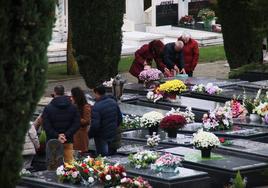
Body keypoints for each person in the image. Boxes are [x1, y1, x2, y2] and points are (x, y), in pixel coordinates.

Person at [43, 85, 80, 163]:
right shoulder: (73, 107)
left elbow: (46, 126)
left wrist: (57, 135)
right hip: (68, 139)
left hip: (52, 140)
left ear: (54, 93)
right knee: (69, 167)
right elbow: (76, 124)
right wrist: (66, 134)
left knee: (53, 166)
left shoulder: (48, 108)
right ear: (64, 92)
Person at [88, 85, 122, 156]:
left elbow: (95, 126)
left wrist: (89, 135)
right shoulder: (113, 102)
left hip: (101, 136)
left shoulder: (96, 107)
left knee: (103, 156)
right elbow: (119, 118)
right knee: (112, 155)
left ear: (96, 92)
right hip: (112, 133)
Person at [71, 87, 91, 153]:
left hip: (81, 137)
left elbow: (87, 121)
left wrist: (75, 118)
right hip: (73, 136)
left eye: (72, 96)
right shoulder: (73, 105)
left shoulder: (85, 107)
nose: (71, 98)